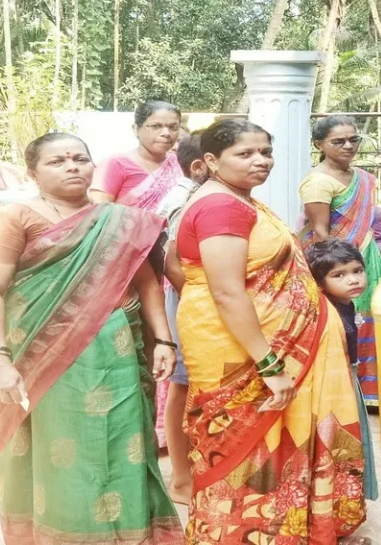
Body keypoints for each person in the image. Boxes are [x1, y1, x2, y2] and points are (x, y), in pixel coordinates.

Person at [0, 132, 182, 544]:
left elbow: (146, 283)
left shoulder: (119, 221)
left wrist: (164, 340)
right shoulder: (14, 219)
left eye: (80, 158)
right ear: (32, 172)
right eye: (57, 161)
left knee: (125, 443)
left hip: (120, 358)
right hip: (50, 359)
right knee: (63, 452)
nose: (72, 166)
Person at [175, 119, 369, 544]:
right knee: (244, 442)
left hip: (265, 343)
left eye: (265, 152)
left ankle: (282, 529)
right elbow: (226, 292)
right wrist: (270, 364)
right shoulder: (221, 207)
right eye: (245, 153)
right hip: (243, 351)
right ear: (211, 161)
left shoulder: (238, 200)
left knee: (277, 437)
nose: (260, 161)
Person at [90, 99, 184, 450]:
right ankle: (136, 428)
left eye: (172, 126)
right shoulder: (116, 165)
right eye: (156, 126)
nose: (166, 133)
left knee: (171, 339)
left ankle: (166, 430)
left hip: (173, 263)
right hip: (131, 264)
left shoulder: (180, 165)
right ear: (137, 129)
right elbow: (100, 215)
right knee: (138, 342)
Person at [299, 116, 381, 404]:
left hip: (366, 257)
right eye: (338, 141)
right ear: (319, 145)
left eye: (353, 139)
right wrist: (339, 268)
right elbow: (320, 232)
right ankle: (341, 391)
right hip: (337, 262)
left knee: (371, 318)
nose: (348, 146)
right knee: (342, 322)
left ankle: (369, 393)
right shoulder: (318, 182)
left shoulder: (364, 178)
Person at [304, 239, 379, 502]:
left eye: (357, 270)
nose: (353, 280)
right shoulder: (326, 312)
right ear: (319, 282)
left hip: (350, 377)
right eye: (339, 275)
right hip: (334, 386)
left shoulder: (347, 304)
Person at [157, 130, 209, 505]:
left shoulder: (203, 193)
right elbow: (170, 261)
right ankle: (180, 478)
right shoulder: (184, 199)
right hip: (192, 301)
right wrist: (198, 302)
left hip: (204, 300)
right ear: (201, 165)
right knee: (184, 385)